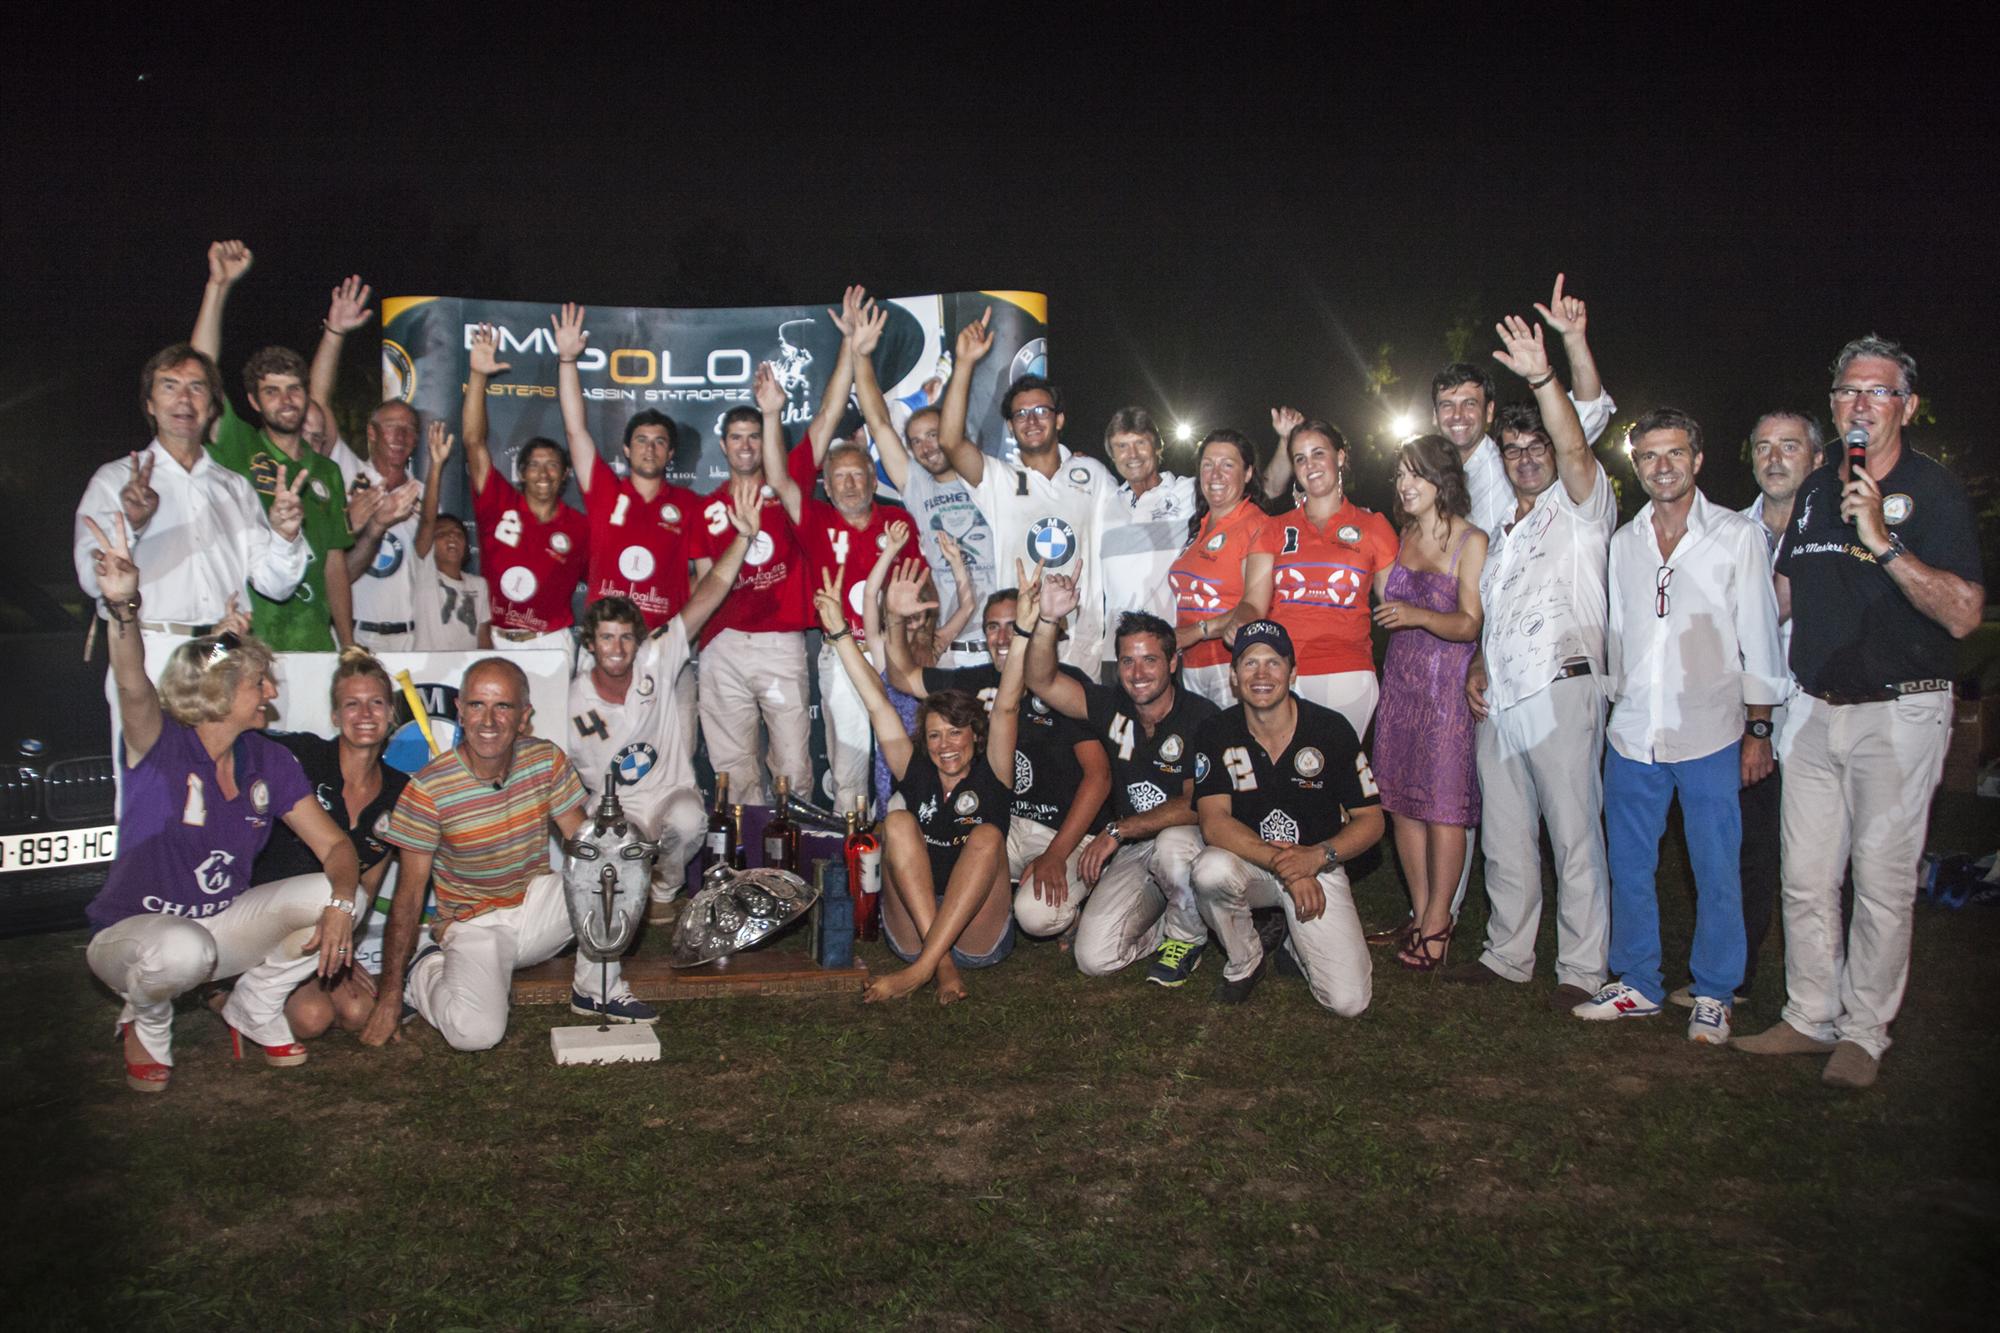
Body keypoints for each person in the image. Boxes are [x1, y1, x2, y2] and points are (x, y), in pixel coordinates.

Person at [1737, 337, 1985, 1088]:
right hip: (1814, 708)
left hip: (1899, 711)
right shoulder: (1817, 490)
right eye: (1848, 392)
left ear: (1905, 406)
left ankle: (1864, 1030)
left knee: (1881, 878)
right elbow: (1778, 598)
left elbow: (1966, 613)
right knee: (1807, 875)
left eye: (1877, 393)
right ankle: (1809, 1014)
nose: (1859, 405)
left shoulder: (1932, 491)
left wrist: (1882, 542)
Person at [79, 513, 363, 1091]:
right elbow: (133, 681)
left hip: (219, 929)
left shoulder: (269, 760)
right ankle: (147, 1022)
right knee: (182, 951)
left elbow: (334, 846)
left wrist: (340, 901)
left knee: (331, 896)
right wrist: (123, 608)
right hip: (134, 935)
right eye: (259, 683)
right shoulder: (158, 743)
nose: (273, 694)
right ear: (219, 694)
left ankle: (254, 1004)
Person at [1575, 409, 1785, 1045]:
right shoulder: (1625, 541)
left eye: (1673, 454)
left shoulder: (1736, 536)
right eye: (1647, 457)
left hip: (1712, 729)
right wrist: (1613, 701)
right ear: (1635, 467)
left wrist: (1758, 728)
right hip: (1634, 731)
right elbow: (1617, 632)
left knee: (1715, 866)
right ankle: (1637, 980)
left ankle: (1716, 992)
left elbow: (1760, 636)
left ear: (1697, 460)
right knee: (1630, 865)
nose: (1660, 467)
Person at [1446, 316, 1615, 1010]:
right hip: (1504, 696)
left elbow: (1577, 444)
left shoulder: (1580, 509)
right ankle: (1509, 953)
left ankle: (1580, 965)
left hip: (1563, 686)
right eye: (1511, 448)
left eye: (1535, 445)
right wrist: (1480, 668)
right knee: (1507, 834)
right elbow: (1495, 614)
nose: (1523, 457)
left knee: (1574, 833)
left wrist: (1546, 376)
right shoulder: (1503, 532)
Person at [361, 656, 655, 1051]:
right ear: (460, 711)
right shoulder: (428, 789)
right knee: (476, 1035)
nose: (488, 720)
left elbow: (585, 848)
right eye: (477, 705)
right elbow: (409, 895)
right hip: (474, 925)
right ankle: (425, 973)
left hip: (534, 910)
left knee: (612, 865)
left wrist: (630, 855)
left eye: (503, 706)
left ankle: (596, 987)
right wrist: (389, 994)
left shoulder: (545, 760)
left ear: (524, 717)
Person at [74, 344, 308, 795]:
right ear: (149, 404)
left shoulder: (233, 487)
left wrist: (285, 533)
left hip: (220, 650)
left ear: (211, 404)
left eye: (197, 387)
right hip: (150, 650)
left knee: (221, 790)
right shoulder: (114, 481)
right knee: (152, 798)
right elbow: (92, 579)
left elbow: (276, 584)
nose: (184, 399)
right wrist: (135, 525)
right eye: (170, 386)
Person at [818, 562, 1038, 1004]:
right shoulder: (917, 769)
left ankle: (920, 972)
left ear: (976, 736)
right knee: (895, 821)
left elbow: (1009, 705)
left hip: (979, 931)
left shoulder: (992, 770)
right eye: (934, 735)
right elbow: (878, 705)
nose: (945, 745)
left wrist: (1025, 635)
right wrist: (843, 634)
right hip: (914, 928)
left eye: (956, 733)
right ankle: (938, 966)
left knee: (989, 835)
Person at [566, 479, 764, 925]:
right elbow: (560, 771)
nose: (617, 648)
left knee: (691, 821)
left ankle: (665, 886)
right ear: (591, 644)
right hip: (615, 805)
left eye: (625, 638)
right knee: (608, 863)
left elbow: (710, 587)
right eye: (606, 638)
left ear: (640, 640)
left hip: (668, 793)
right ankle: (622, 880)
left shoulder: (656, 657)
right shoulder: (574, 697)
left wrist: (745, 536)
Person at [883, 576, 1111, 942]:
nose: (1003, 639)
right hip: (993, 821)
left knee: (1035, 916)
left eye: (1013, 626)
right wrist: (894, 618)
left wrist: (1056, 853)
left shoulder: (1062, 684)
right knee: (902, 807)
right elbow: (904, 677)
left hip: (1056, 830)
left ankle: (1083, 891)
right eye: (993, 627)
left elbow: (1098, 777)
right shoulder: (974, 681)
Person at [1685, 410, 1822, 1008]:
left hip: (1819, 709)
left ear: (1817, 459)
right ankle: (1733, 978)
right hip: (1747, 715)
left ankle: (1822, 987)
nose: (1774, 458)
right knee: (1746, 849)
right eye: (1763, 446)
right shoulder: (1726, 530)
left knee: (1818, 859)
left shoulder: (1839, 535)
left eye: (1789, 446)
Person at [690, 312, 852, 806]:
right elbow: (702, 587)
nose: (746, 445)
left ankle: (789, 868)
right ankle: (741, 871)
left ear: (765, 439)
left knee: (793, 768)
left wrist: (848, 344)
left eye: (754, 436)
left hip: (781, 644)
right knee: (733, 771)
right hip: (723, 647)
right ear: (723, 446)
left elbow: (825, 419)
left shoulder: (790, 482)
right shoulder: (706, 510)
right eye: (736, 437)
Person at [1025, 579, 1216, 986]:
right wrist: (1046, 619)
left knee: (1173, 844)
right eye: (1127, 661)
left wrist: (1117, 830)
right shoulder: (1112, 704)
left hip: (1186, 845)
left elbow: (1196, 803)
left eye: (1150, 660)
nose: (1138, 672)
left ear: (1173, 663)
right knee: (1094, 959)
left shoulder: (1202, 717)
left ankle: (1188, 937)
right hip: (1131, 848)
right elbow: (1041, 680)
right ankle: (1163, 926)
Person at [1188, 620, 1384, 1013]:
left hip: (1319, 864)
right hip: (1253, 862)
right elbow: (1214, 823)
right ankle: (1245, 959)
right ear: (1233, 675)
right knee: (1209, 870)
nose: (1261, 674)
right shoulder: (1216, 730)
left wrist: (1314, 858)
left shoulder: (1330, 729)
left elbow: (1371, 820)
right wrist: (1288, 867)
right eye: (1249, 663)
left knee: (1349, 1002)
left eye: (1273, 663)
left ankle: (1295, 946)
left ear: (1293, 672)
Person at [762, 301, 910, 816]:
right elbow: (785, 471)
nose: (849, 482)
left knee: (903, 763)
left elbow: (919, 595)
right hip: (841, 653)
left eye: (859, 474)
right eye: (839, 475)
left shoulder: (901, 524)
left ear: (874, 480)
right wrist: (771, 414)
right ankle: (857, 877)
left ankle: (900, 860)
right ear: (826, 483)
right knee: (849, 765)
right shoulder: (815, 519)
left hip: (894, 654)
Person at [189, 240, 358, 651]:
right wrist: (218, 287)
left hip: (314, 641)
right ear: (253, 401)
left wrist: (348, 644)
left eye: (294, 389)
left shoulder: (326, 471)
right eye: (272, 391)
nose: (286, 400)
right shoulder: (238, 446)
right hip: (246, 638)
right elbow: (200, 373)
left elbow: (335, 563)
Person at [940, 309, 1115, 670]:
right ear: (1010, 425)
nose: (1031, 420)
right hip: (1021, 636)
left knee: (1080, 729)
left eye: (1041, 410)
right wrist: (964, 364)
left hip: (1081, 642)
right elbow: (950, 442)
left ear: (1060, 418)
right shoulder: (999, 479)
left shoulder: (1092, 473)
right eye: (1021, 414)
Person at [1369, 435, 1487, 972]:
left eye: (1415, 475)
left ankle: (1440, 922)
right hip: (1401, 686)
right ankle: (1421, 912)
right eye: (1400, 475)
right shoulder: (1403, 535)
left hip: (1445, 692)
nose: (1404, 485)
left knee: (1443, 809)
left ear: (1443, 480)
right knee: (1401, 805)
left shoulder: (1471, 540)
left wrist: (1415, 616)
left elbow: (1469, 623)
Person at [250, 650, 411, 1041]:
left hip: (333, 923)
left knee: (357, 1012)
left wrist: (344, 947)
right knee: (312, 1017)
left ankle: (305, 976)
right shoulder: (303, 757)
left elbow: (368, 884)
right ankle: (228, 989)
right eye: (351, 705)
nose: (365, 715)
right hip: (270, 920)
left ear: (392, 713)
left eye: (376, 703)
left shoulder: (399, 789)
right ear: (335, 716)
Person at [852, 300, 996, 668]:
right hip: (944, 648)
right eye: (916, 441)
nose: (926, 446)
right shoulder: (916, 483)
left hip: (1000, 641)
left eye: (933, 434)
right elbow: (879, 423)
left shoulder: (990, 476)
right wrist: (861, 353)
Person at [1432, 274, 1618, 535]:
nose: (1458, 415)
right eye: (1447, 405)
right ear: (1434, 415)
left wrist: (1574, 340)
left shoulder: (1516, 452)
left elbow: (1588, 410)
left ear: (1489, 412)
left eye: (1470, 403)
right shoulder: (1432, 471)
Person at [1245, 420, 1398, 736]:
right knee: (1282, 779)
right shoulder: (1273, 528)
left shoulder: (1374, 525)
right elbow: (1253, 605)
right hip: (1282, 673)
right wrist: (1235, 625)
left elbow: (1396, 606)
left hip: (1347, 672)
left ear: (1340, 457)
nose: (1309, 465)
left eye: (1318, 453)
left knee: (1332, 778)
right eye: (1299, 458)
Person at [307, 274, 427, 652]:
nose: (399, 437)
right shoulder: (346, 470)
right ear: (371, 433)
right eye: (391, 429)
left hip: (409, 638)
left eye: (408, 431)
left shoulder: (423, 491)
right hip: (352, 632)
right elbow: (318, 405)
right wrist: (335, 334)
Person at [462, 323, 590, 650]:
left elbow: (605, 581)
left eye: (552, 466)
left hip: (552, 643)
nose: (543, 473)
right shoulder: (498, 502)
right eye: (534, 465)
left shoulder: (579, 527)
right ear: (521, 473)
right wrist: (477, 375)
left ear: (565, 475)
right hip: (498, 640)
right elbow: (474, 442)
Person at [863, 529, 978, 816]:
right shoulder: (883, 646)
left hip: (932, 752)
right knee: (894, 820)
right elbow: (868, 594)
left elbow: (968, 607)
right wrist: (890, 551)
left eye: (919, 610)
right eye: (906, 611)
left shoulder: (935, 646)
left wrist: (956, 562)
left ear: (929, 612)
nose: (912, 617)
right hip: (891, 754)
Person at [1170, 429, 1273, 707]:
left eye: (1227, 465)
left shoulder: (1256, 524)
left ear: (1248, 473)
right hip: (1189, 666)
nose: (1215, 475)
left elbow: (1254, 605)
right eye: (1207, 464)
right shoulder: (1199, 525)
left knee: (1233, 749)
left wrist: (1197, 631)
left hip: (1231, 666)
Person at [1098, 407, 1195, 676]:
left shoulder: (1187, 492)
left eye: (1141, 443)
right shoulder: (1104, 504)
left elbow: (1260, 490)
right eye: (1122, 446)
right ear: (1112, 455)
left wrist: (1283, 443)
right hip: (1116, 655)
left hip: (1168, 651)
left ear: (1158, 447)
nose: (1132, 455)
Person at [411, 425, 492, 650]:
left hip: (467, 676)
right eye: (442, 533)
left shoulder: (479, 585)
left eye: (458, 533)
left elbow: (484, 637)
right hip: (430, 676)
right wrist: (436, 466)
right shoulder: (422, 573)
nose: (452, 538)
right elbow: (427, 521)